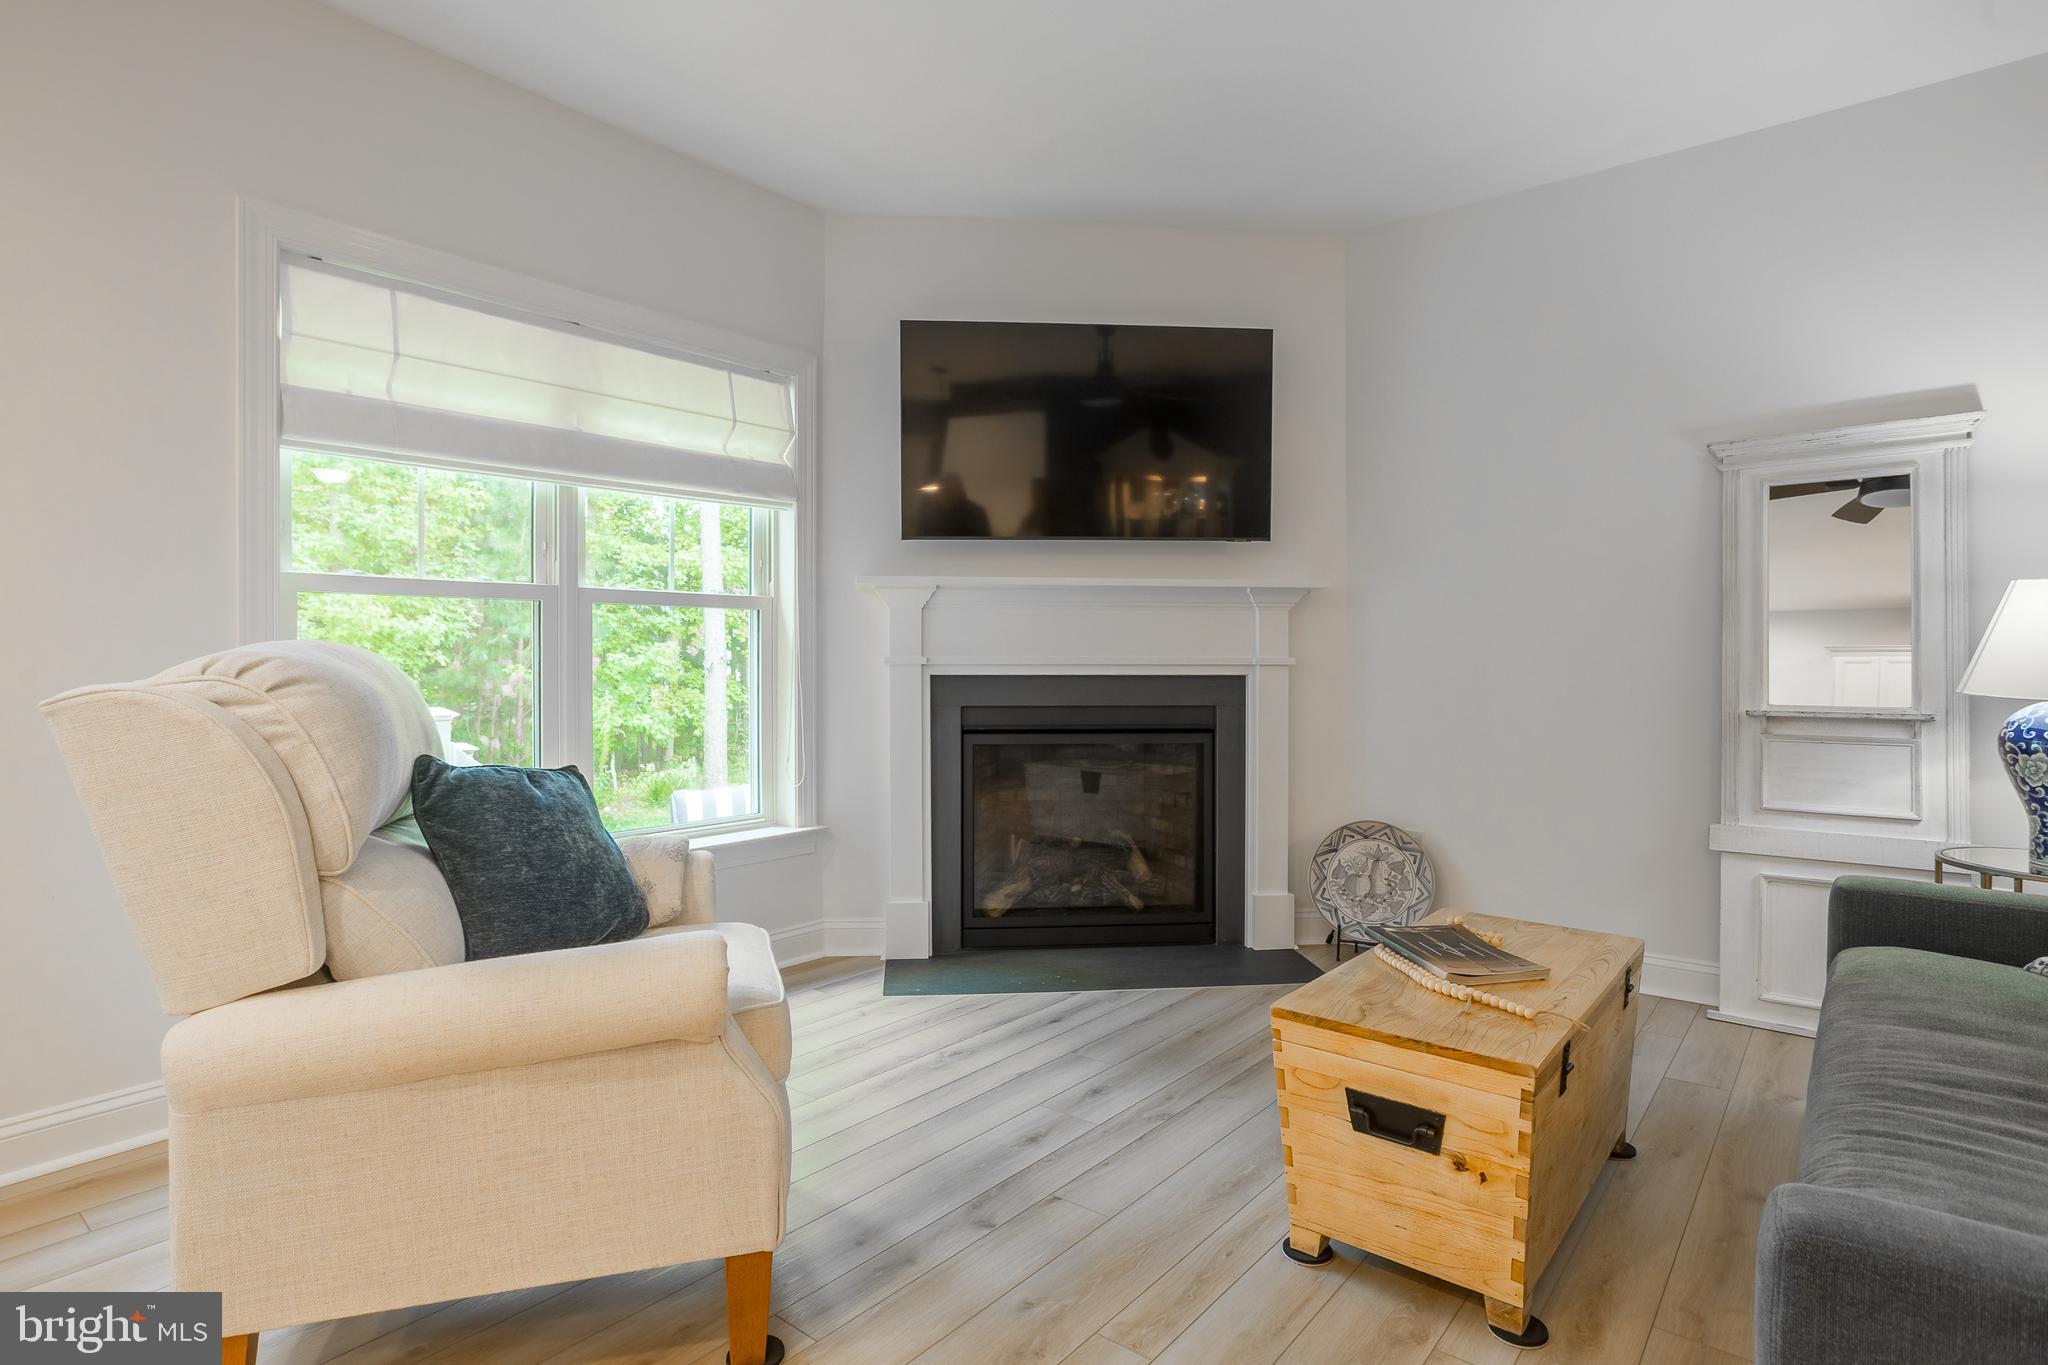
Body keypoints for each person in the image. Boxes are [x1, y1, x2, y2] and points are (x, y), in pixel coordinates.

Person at [918, 471, 992, 537]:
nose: (946, 494)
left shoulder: (976, 513)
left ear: (960, 490)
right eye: (943, 490)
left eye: (951, 490)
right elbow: (922, 537)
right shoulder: (929, 512)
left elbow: (983, 544)